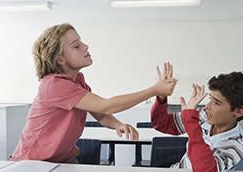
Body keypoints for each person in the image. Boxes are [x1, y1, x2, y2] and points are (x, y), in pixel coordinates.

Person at [11, 23, 176, 164]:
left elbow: (101, 113)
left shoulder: (78, 80)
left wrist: (118, 125)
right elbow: (107, 105)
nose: (85, 46)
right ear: (60, 60)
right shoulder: (54, 84)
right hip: (33, 161)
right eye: (76, 45)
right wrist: (154, 90)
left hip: (62, 157)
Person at [150, 67, 243, 172]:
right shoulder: (204, 115)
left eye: (217, 103)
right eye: (210, 99)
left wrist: (190, 122)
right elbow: (162, 123)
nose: (207, 106)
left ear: (238, 111)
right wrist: (161, 95)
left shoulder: (236, 145)